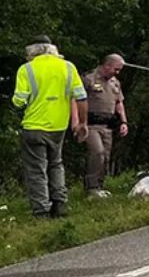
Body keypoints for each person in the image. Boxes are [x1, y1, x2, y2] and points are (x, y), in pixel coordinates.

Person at [11, 36, 88, 218]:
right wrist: (83, 123)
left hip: (34, 126)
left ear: (31, 50)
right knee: (56, 163)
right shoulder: (68, 67)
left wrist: (20, 102)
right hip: (58, 126)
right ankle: (60, 204)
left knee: (36, 169)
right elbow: (81, 97)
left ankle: (41, 211)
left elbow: (19, 101)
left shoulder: (26, 69)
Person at [82, 54, 128, 198]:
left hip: (107, 125)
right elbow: (76, 100)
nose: (117, 72)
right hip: (91, 124)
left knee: (106, 157)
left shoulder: (115, 83)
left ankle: (100, 186)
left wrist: (124, 122)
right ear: (107, 65)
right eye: (116, 69)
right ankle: (92, 187)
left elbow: (119, 103)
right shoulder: (89, 79)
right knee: (97, 152)